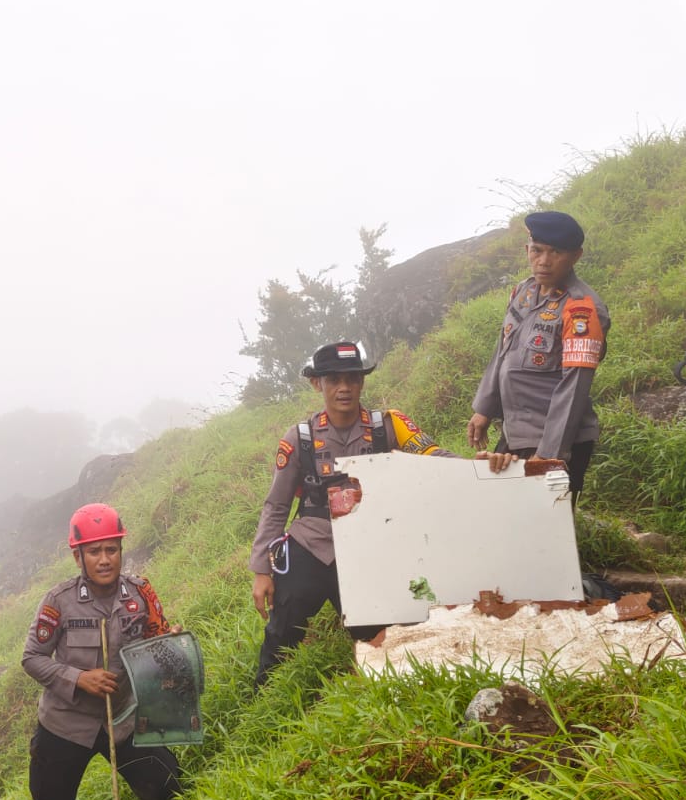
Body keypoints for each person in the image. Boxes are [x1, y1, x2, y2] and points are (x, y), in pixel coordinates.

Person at [250, 340, 473, 685]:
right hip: (310, 544)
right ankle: (263, 696)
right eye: (333, 379)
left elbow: (433, 455)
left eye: (353, 379)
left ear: (362, 381)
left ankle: (386, 685)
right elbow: (277, 505)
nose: (344, 388)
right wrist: (262, 570)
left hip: (369, 548)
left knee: (377, 633)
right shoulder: (300, 437)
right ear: (317, 383)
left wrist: (480, 467)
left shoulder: (388, 425)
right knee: (283, 628)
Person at [21, 503, 182, 800]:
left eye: (112, 549)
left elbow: (156, 639)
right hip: (64, 726)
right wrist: (79, 678)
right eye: (94, 551)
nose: (105, 559)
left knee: (168, 786)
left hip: (124, 718)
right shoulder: (58, 601)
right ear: (77, 555)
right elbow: (32, 658)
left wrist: (168, 643)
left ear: (121, 550)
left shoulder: (141, 592)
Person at [467, 210, 609, 507]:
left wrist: (549, 454)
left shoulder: (581, 308)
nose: (544, 261)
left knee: (547, 529)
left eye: (556, 252)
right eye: (538, 250)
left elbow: (575, 385)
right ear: (527, 249)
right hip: (516, 432)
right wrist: (484, 408)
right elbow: (502, 350)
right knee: (502, 514)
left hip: (556, 438)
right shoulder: (523, 291)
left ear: (576, 256)